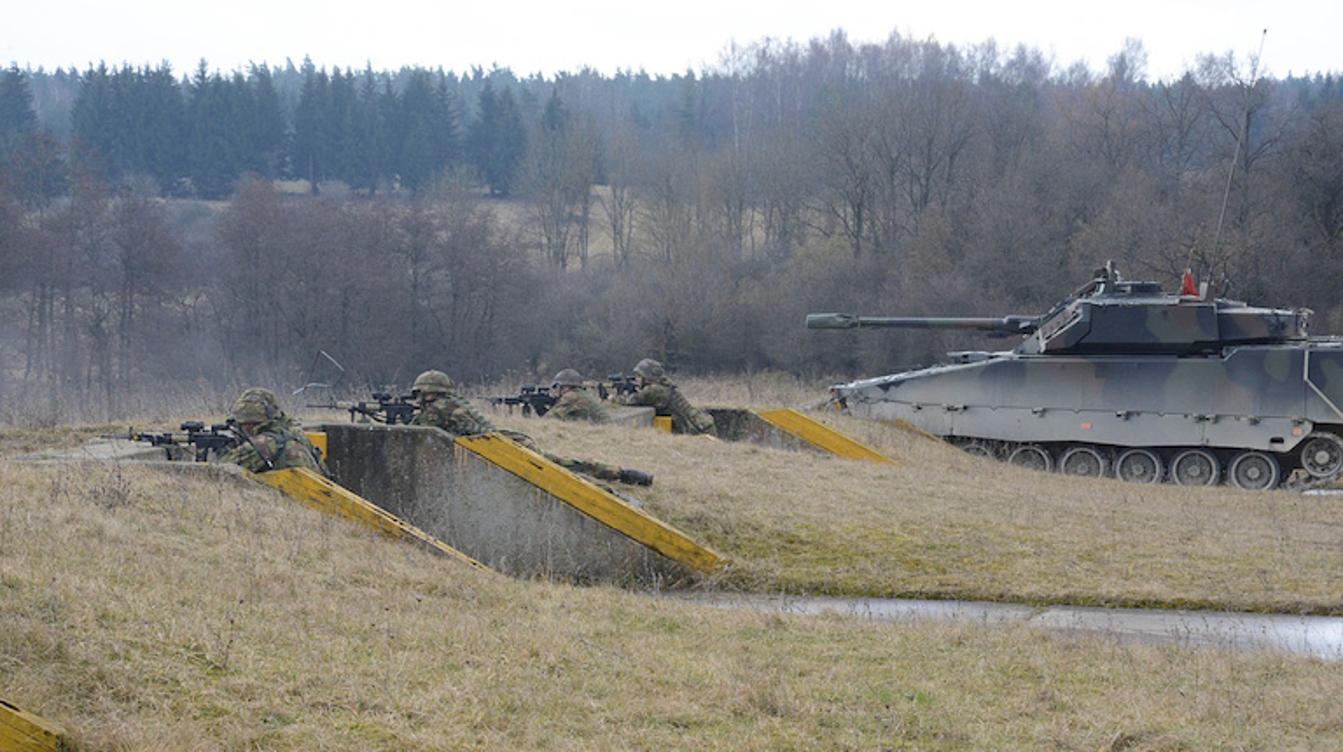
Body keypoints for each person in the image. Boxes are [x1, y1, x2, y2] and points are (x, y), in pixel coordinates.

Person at [409, 370, 651, 486]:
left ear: (430, 392)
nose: (418, 398)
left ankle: (612, 484)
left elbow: (411, 434)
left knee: (562, 474)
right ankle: (621, 474)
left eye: (420, 394)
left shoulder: (439, 408)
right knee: (562, 465)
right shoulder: (453, 403)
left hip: (503, 448)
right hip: (507, 442)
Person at [219, 387, 330, 476]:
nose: (244, 429)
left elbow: (219, 471)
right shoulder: (295, 433)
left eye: (246, 425)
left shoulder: (263, 443)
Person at [615, 358, 716, 435]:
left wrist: (614, 398)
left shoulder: (655, 390)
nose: (636, 379)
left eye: (639, 375)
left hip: (697, 431)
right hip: (700, 426)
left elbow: (632, 400)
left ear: (647, 377)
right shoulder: (663, 386)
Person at [546, 368, 611, 424]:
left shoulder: (571, 396)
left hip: (602, 428)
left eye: (557, 386)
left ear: (565, 387)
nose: (556, 390)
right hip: (607, 426)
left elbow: (549, 418)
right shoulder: (582, 393)